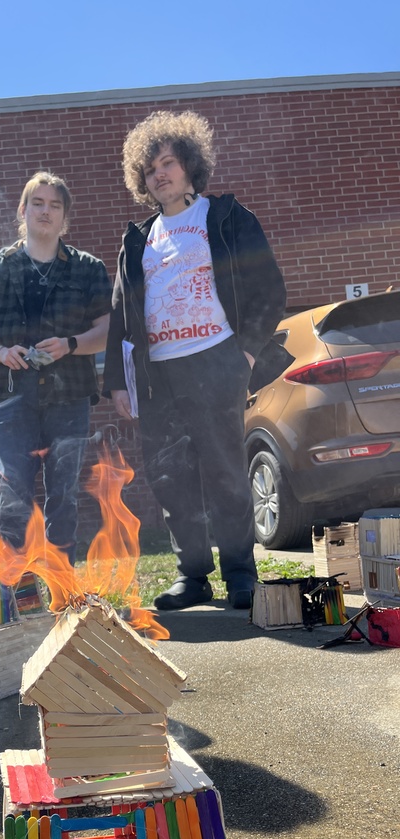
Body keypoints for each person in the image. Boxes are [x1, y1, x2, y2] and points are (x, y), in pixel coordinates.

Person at [103, 110, 287, 611]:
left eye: (168, 163)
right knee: (171, 476)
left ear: (189, 167)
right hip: (159, 373)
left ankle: (239, 573)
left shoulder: (224, 217)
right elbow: (121, 316)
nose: (159, 174)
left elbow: (268, 289)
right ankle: (193, 576)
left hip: (216, 362)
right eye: (149, 169)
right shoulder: (136, 240)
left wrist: (245, 353)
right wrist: (119, 383)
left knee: (225, 470)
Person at [0, 172, 111, 564]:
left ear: (64, 217)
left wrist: (71, 345)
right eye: (38, 203)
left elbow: (108, 330)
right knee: (14, 493)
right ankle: (19, 587)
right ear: (23, 210)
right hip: (13, 397)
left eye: (55, 205)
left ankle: (62, 586)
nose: (45, 212)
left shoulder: (88, 268)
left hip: (70, 396)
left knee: (63, 494)